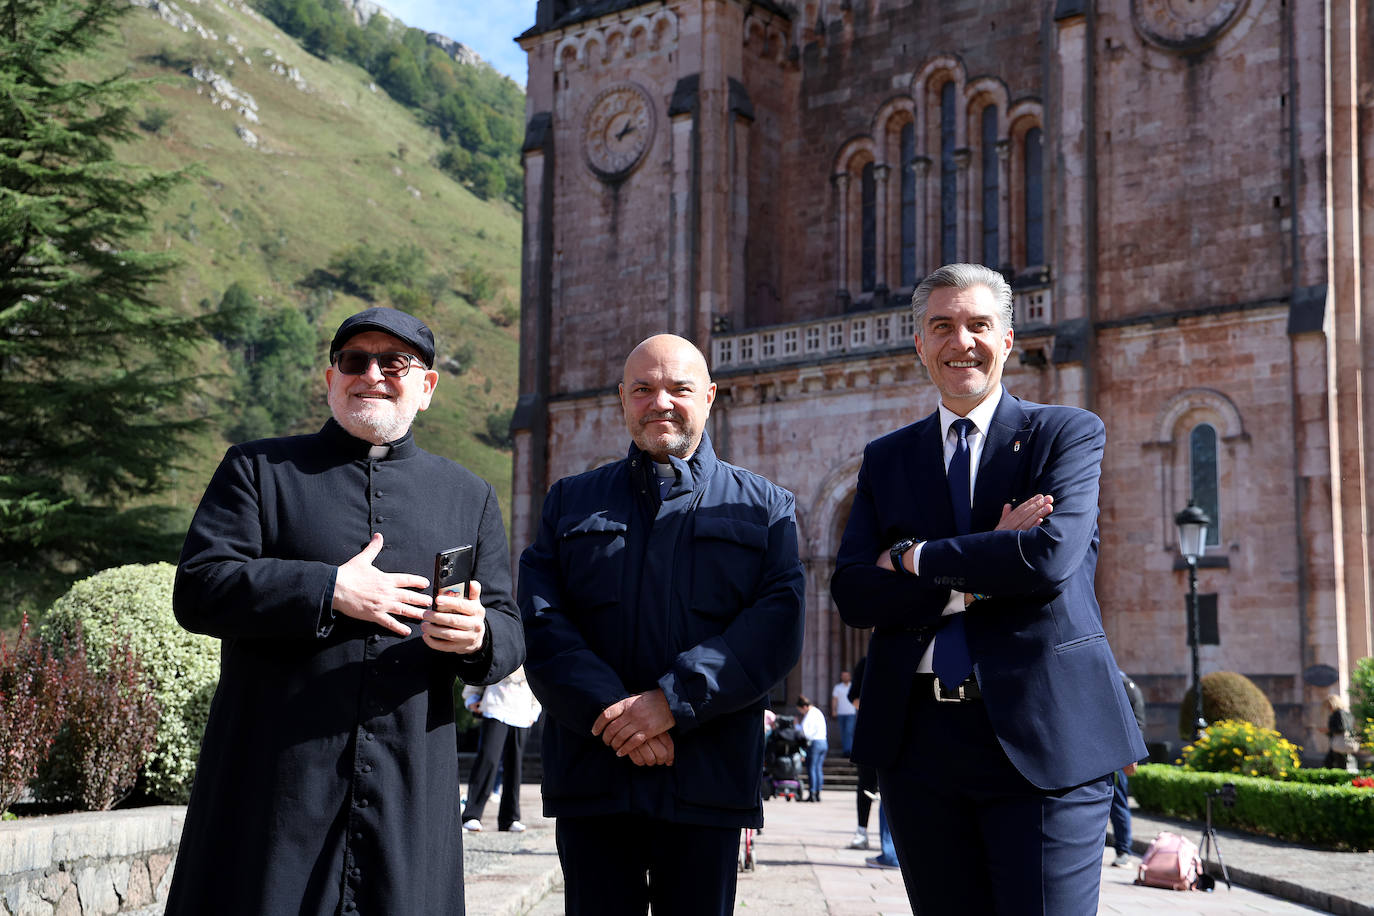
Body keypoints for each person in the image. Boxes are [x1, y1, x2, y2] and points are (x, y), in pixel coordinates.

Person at [167, 307, 524, 916]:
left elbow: (509, 631)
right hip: (275, 788)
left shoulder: (469, 494)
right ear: (332, 380)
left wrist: (477, 635)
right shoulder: (257, 470)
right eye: (355, 362)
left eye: (395, 363)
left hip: (408, 792)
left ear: (427, 387)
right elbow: (199, 588)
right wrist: (329, 588)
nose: (373, 375)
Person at [830, 264, 1147, 915]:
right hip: (919, 745)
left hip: (1044, 737)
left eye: (978, 325)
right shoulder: (887, 458)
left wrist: (912, 558)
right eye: (941, 326)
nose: (960, 342)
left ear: (1007, 339)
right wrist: (985, 564)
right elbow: (853, 594)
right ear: (919, 344)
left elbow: (1046, 560)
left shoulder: (1066, 432)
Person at [518, 333, 806, 916]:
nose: (661, 403)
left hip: (707, 778)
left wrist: (671, 703)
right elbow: (543, 624)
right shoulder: (570, 503)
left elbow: (775, 627)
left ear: (710, 397)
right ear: (622, 399)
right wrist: (617, 714)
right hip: (597, 777)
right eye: (643, 389)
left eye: (679, 388)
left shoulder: (767, 507)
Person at [461, 666, 542, 833]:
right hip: (495, 707)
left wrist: (534, 712)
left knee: (514, 766)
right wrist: (471, 698)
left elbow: (538, 683)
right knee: (487, 760)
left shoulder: (532, 644)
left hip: (522, 712)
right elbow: (482, 669)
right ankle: (472, 815)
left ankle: (510, 818)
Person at [1110, 670, 1147, 867]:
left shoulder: (1126, 686)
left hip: (1118, 755)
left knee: (1118, 802)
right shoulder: (1110, 680)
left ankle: (1124, 850)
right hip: (1104, 751)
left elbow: (1137, 723)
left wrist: (1132, 754)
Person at [796, 696, 828, 801]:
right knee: (818, 769)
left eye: (800, 710)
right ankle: (818, 793)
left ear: (804, 707)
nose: (801, 712)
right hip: (823, 742)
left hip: (815, 743)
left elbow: (805, 732)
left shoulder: (810, 715)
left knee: (812, 768)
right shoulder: (818, 712)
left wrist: (796, 726)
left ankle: (812, 793)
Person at [1324, 693, 1358, 772]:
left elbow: (1341, 728)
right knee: (1341, 761)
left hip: (1340, 742)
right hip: (1345, 741)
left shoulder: (1338, 714)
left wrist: (1328, 730)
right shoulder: (1346, 713)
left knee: (1334, 762)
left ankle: (1338, 779)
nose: (1329, 708)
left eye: (1329, 706)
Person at [831, 669, 857, 755]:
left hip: (851, 713)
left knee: (849, 731)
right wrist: (834, 710)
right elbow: (835, 700)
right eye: (843, 676)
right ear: (841, 677)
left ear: (849, 677)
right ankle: (846, 750)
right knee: (843, 732)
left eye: (847, 675)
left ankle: (849, 751)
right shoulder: (838, 687)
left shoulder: (853, 686)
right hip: (841, 713)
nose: (845, 677)